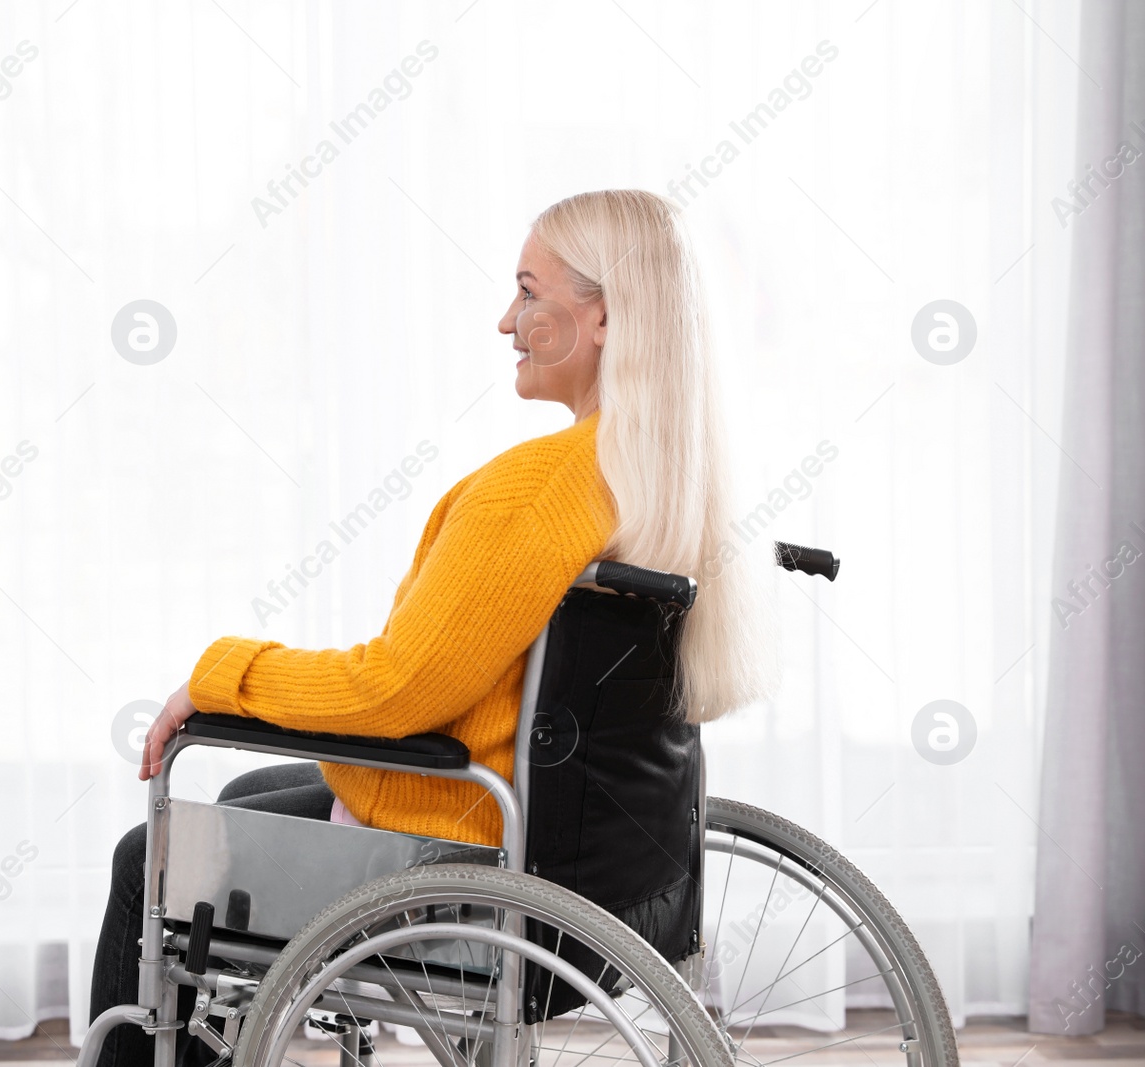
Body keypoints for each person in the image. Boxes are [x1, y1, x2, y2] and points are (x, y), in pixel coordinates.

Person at [87, 189, 779, 1067]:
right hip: (606, 856)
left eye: (529, 292)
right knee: (238, 805)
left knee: (147, 857)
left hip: (481, 855)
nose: (507, 320)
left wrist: (221, 675)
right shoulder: (669, 478)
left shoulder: (541, 489)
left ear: (602, 317)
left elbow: (397, 689)